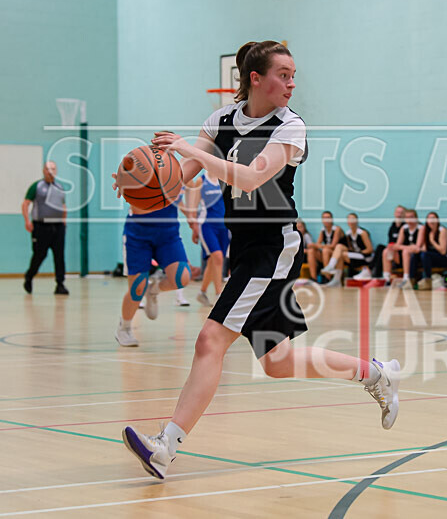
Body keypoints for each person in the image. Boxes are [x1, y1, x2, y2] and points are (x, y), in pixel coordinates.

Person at [119, 41, 400, 480]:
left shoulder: (290, 127)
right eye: (282, 75)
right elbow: (177, 183)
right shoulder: (222, 121)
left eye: (293, 76)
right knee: (277, 360)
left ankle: (165, 447)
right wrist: (143, 182)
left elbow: (251, 177)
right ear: (255, 78)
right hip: (245, 247)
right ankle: (374, 374)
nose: (291, 83)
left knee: (209, 341)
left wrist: (189, 150)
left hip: (274, 246)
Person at [115, 192, 196, 347]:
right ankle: (124, 328)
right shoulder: (138, 170)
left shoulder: (174, 169)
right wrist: (168, 195)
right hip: (138, 234)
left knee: (182, 277)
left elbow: (179, 194)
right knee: (137, 287)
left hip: (168, 233)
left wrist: (189, 214)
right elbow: (139, 209)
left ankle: (154, 290)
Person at [21, 161, 69, 295]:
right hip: (41, 227)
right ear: (43, 171)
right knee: (40, 255)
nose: (50, 171)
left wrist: (64, 221)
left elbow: (63, 206)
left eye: (53, 168)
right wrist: (27, 221)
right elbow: (25, 204)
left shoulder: (60, 187)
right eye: (48, 169)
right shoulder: (36, 187)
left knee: (59, 255)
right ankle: (29, 276)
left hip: (58, 227)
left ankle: (60, 284)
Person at [190, 172, 229, 306]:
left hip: (224, 226)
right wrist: (194, 226)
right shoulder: (201, 181)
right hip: (207, 224)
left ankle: (202, 292)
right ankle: (219, 295)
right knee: (217, 257)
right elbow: (194, 206)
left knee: (215, 260)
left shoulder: (224, 178)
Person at [321, 212, 374, 285]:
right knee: (339, 247)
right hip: (354, 257)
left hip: (365, 257)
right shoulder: (348, 234)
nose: (351, 221)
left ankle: (332, 268)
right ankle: (336, 278)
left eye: (353, 219)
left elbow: (370, 249)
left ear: (356, 221)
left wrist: (356, 252)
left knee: (343, 254)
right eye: (349, 220)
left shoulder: (362, 233)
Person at [382, 208, 423, 286]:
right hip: (405, 254)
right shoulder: (404, 228)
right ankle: (386, 279)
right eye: (407, 217)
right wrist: (406, 247)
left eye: (411, 217)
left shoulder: (421, 228)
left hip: (416, 256)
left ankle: (406, 278)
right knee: (386, 251)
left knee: (405, 252)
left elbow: (417, 247)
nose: (409, 220)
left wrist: (403, 248)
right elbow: (397, 245)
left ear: (416, 218)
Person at [413, 212, 447, 290]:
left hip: (445, 258)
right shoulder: (426, 231)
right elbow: (424, 249)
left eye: (433, 218)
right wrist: (414, 249)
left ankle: (428, 279)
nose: (431, 220)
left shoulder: (442, 231)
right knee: (415, 255)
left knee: (425, 255)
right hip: (432, 257)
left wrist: (432, 241)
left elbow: (443, 251)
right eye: (429, 218)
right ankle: (411, 279)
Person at [372, 204, 405, 279]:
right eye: (397, 212)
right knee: (380, 248)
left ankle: (377, 274)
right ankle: (374, 272)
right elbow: (390, 242)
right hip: (392, 250)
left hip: (400, 252)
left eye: (401, 213)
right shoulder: (392, 226)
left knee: (385, 251)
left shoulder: (405, 227)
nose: (399, 215)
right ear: (394, 213)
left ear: (404, 215)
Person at [310, 210, 342, 283]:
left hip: (337, 255)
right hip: (326, 255)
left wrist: (319, 245)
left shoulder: (337, 229)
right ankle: (313, 278)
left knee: (325, 250)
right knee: (311, 251)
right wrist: (314, 245)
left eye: (328, 217)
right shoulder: (323, 230)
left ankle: (328, 278)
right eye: (324, 218)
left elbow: (333, 246)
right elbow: (318, 244)